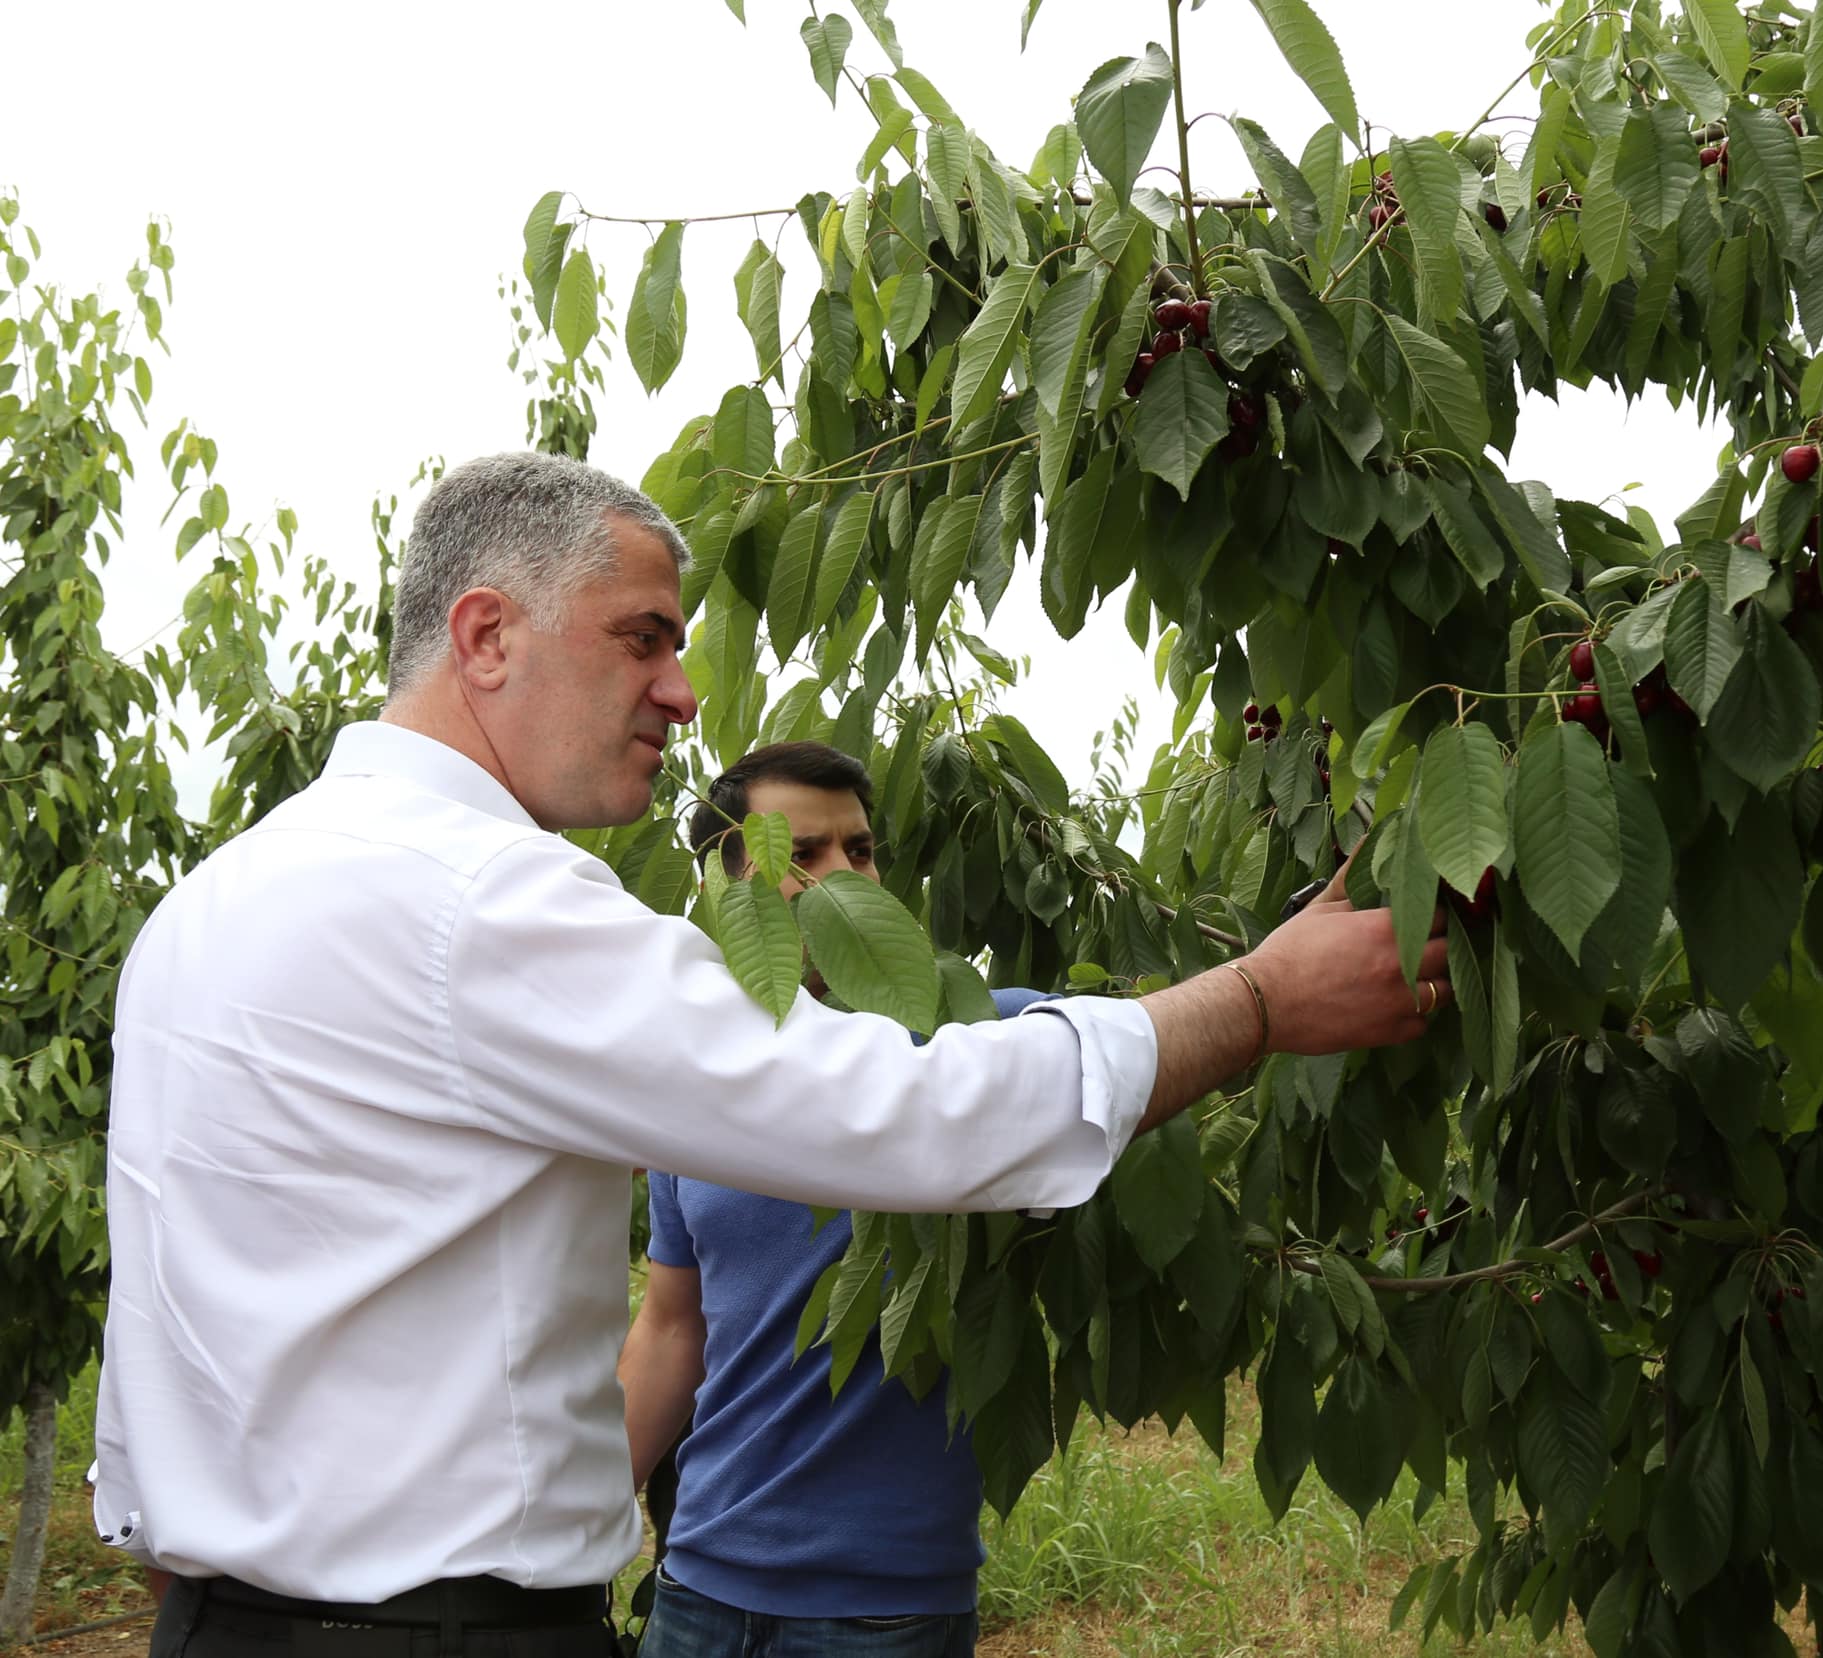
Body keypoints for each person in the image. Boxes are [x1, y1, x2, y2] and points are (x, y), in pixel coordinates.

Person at [93, 453, 1451, 1658]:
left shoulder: (204, 909)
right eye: (642, 639)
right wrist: (1258, 998)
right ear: (487, 635)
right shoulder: (481, 901)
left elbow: (160, 1318)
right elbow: (905, 1110)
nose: (683, 696)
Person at [622, 741, 1013, 1658]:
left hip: (885, 1611)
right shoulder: (695, 1081)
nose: (845, 875)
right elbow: (673, 1326)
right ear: (729, 883)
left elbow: (1119, 1055)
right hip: (696, 1585)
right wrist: (569, 1532)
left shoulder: (965, 1046)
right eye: (802, 854)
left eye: (860, 850)